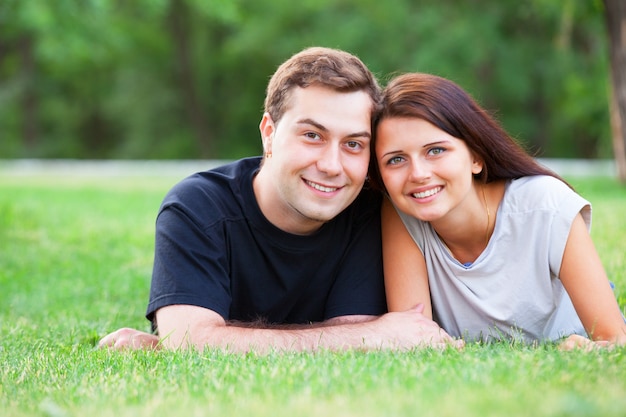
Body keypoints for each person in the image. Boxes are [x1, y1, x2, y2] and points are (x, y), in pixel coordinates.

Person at [98, 47, 462, 353]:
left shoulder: (366, 211)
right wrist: (374, 335)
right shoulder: (197, 208)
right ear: (269, 134)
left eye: (353, 144)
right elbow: (190, 342)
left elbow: (355, 344)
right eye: (312, 135)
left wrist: (214, 339)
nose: (332, 166)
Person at [371, 72, 626, 349]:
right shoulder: (400, 213)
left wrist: (586, 349)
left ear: (476, 157)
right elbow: (416, 336)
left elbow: (614, 340)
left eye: (435, 151)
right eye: (396, 159)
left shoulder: (545, 205)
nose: (418, 174)